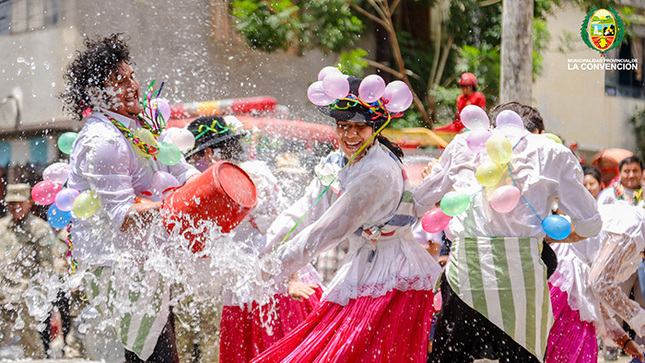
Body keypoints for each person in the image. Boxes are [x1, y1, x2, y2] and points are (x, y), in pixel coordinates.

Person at [252, 75, 443, 362]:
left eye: (359, 127)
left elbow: (331, 228)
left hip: (395, 276)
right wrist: (264, 252)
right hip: (362, 267)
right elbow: (304, 210)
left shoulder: (376, 171)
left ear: (375, 129)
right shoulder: (338, 162)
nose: (349, 134)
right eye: (343, 126)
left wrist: (278, 265)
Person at [414, 105, 601, 362]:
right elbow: (590, 223)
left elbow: (422, 198)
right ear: (536, 131)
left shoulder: (463, 144)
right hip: (521, 280)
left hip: (464, 278)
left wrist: (432, 181)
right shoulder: (553, 152)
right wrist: (548, 236)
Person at [61, 34, 200, 362]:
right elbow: (122, 215)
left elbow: (181, 172)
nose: (132, 85)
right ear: (96, 94)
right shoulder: (102, 140)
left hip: (149, 268)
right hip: (118, 275)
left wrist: (207, 185)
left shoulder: (142, 126)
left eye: (131, 76)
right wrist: (177, 205)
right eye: (119, 81)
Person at [183, 116, 323, 362]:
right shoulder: (210, 185)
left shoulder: (254, 174)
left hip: (277, 284)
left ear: (209, 153)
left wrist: (292, 279)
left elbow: (282, 228)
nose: (194, 165)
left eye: (196, 158)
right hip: (243, 287)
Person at [544, 165, 605, 363]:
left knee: (577, 331)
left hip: (580, 279)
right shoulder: (547, 213)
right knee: (551, 329)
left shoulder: (593, 217)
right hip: (555, 274)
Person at [0, 183, 56, 358]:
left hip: (24, 293)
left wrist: (40, 291)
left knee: (30, 341)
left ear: (29, 203)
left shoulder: (38, 228)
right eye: (11, 203)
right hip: (2, 290)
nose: (15, 207)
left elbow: (47, 264)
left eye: (19, 203)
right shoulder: (1, 226)